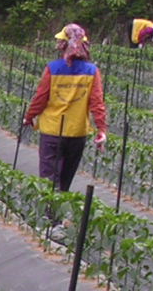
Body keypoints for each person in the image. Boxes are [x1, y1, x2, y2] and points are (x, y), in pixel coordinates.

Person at [22, 23, 108, 195]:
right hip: (77, 132)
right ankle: (57, 215)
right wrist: (101, 129)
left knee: (48, 179)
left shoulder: (53, 68)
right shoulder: (92, 71)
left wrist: (29, 116)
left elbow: (41, 97)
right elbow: (97, 102)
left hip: (52, 130)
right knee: (65, 179)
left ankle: (50, 218)